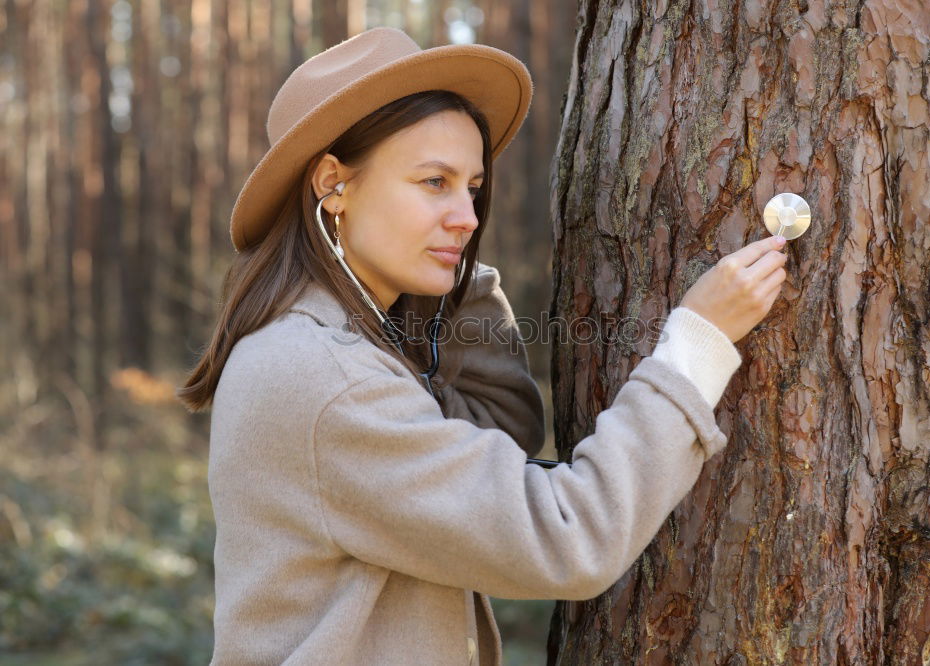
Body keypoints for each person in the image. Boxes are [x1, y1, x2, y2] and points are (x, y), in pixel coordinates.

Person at [179, 27, 788, 666]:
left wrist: (442, 274)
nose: (469, 217)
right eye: (434, 182)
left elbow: (502, 431)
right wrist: (699, 343)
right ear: (335, 184)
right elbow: (566, 536)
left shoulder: (325, 341)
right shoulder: (326, 375)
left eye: (472, 186)